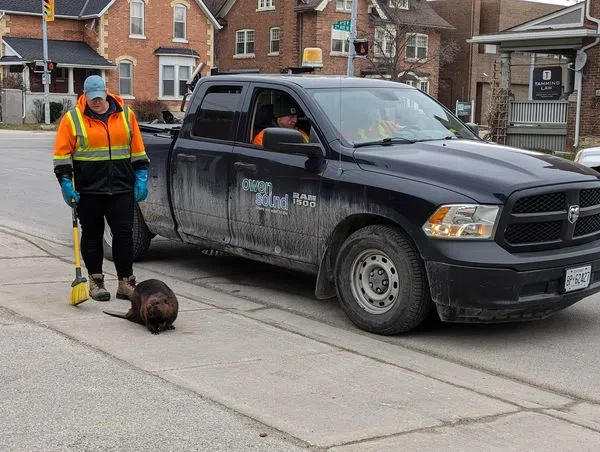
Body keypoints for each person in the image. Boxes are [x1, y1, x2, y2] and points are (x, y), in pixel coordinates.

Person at [53, 75, 150, 302]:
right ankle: (96, 282)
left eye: (99, 98)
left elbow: (137, 150)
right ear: (85, 96)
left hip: (121, 187)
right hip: (89, 190)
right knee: (93, 235)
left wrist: (142, 175)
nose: (96, 102)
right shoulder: (73, 119)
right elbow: (61, 155)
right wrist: (66, 182)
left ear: (106, 93)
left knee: (124, 234)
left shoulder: (126, 116)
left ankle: (126, 282)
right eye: (92, 98)